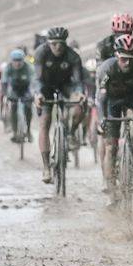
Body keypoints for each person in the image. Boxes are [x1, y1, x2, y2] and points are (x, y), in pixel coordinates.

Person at [96, 35, 133, 207]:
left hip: (132, 100)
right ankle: (111, 188)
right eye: (122, 59)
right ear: (116, 55)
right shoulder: (107, 68)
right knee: (110, 146)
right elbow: (101, 99)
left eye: (130, 59)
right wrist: (101, 119)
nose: (126, 63)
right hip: (111, 102)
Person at [33, 26, 85, 183]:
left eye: (61, 44)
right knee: (45, 122)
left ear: (65, 43)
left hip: (66, 85)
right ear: (48, 43)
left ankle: (70, 134)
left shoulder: (73, 56)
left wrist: (79, 93)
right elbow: (37, 79)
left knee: (79, 106)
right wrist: (38, 94)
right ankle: (46, 167)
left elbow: (77, 82)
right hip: (46, 86)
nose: (58, 47)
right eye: (54, 43)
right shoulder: (41, 53)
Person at [4, 49, 35, 142]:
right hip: (14, 90)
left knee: (28, 107)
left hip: (26, 89)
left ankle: (28, 131)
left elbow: (34, 82)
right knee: (13, 107)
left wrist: (33, 94)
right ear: (11, 60)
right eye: (15, 61)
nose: (17, 63)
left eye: (19, 61)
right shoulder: (8, 67)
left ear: (23, 60)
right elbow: (4, 82)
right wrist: (6, 94)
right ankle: (14, 132)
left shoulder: (29, 67)